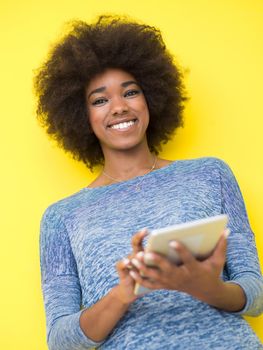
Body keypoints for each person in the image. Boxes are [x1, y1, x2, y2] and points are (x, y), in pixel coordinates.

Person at [35, 15, 263, 350]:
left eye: (131, 92)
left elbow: (254, 293)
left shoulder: (210, 174)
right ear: (80, 115)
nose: (119, 107)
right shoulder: (62, 217)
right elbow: (61, 340)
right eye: (100, 100)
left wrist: (205, 287)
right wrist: (124, 292)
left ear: (151, 98)